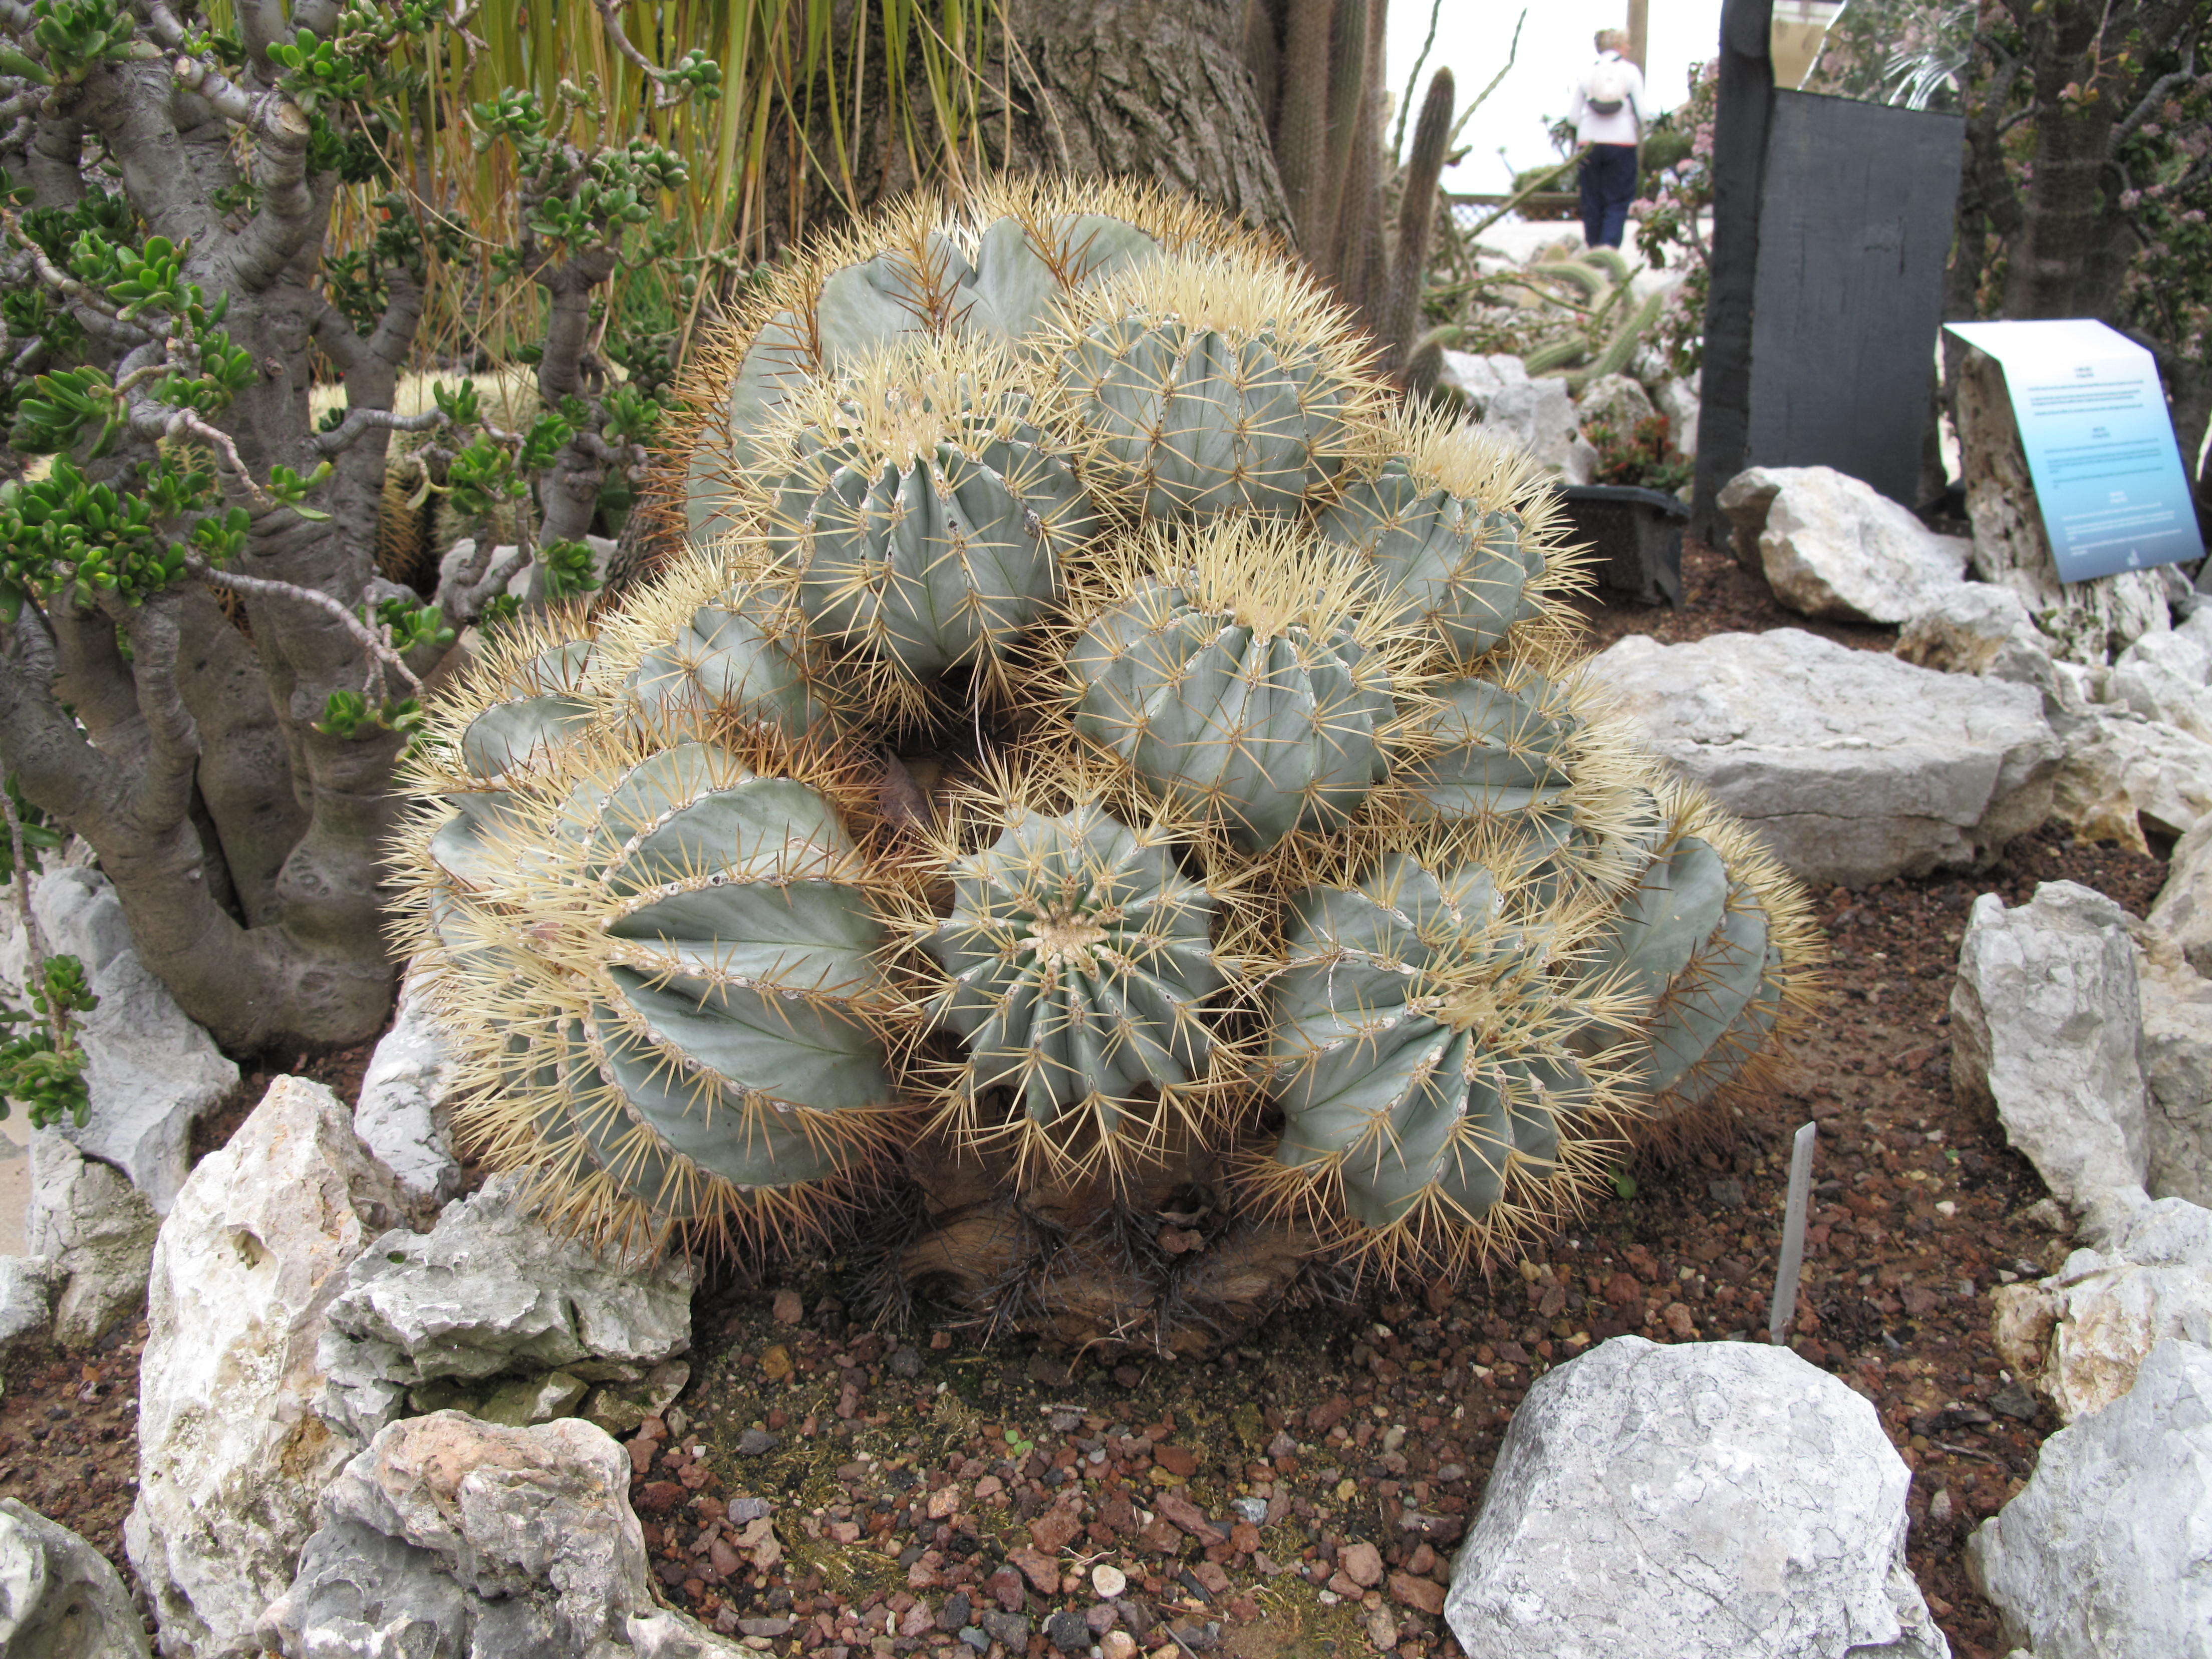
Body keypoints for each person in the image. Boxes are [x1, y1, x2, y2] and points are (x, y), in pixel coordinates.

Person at [1567, 29, 1646, 249]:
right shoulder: (1631, 72)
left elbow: (1573, 118)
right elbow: (1643, 114)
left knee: (1592, 200)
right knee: (1617, 200)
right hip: (1622, 143)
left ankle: (1593, 247)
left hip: (1589, 143)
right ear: (1620, 46)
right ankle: (1609, 248)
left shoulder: (1587, 73)